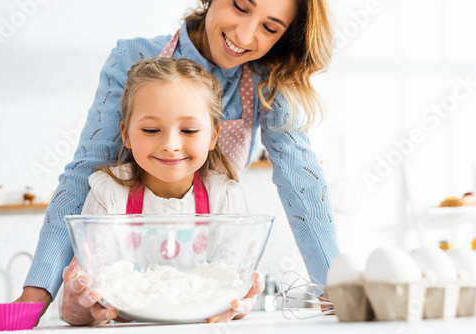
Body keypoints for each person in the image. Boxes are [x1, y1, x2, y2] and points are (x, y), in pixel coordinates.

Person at [18, 0, 340, 323]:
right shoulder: (134, 59)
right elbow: (84, 174)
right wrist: (34, 297)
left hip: (201, 296)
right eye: (241, 6)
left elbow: (301, 182)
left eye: (269, 28)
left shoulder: (266, 79)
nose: (244, 35)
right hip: (129, 298)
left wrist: (336, 291)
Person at [59, 57, 263, 325]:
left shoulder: (224, 197)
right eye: (151, 129)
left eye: (189, 130)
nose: (170, 144)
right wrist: (80, 307)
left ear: (214, 135)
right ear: (126, 133)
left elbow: (238, 288)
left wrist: (240, 304)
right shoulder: (109, 194)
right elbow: (79, 302)